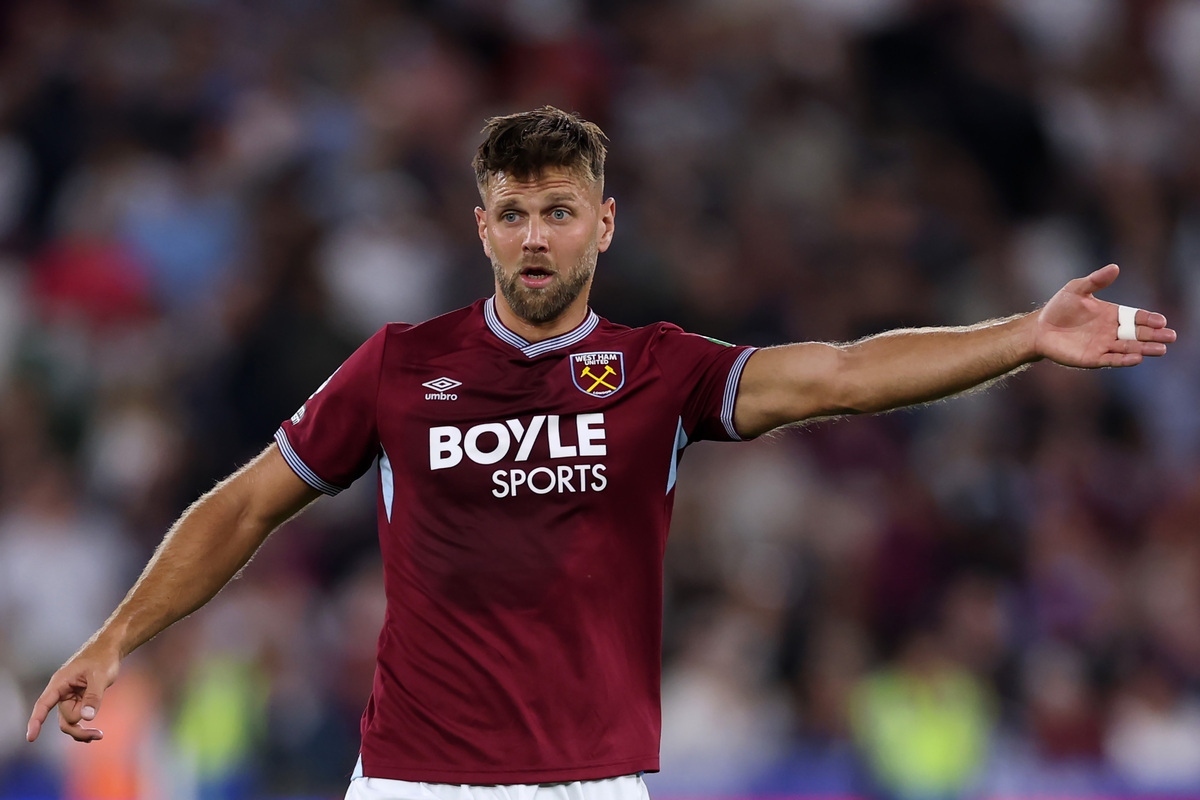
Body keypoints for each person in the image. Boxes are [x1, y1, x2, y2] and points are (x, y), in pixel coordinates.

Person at [26, 107, 1176, 799]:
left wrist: (1023, 336)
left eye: (560, 210)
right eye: (515, 211)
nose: (537, 235)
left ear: (604, 221)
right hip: (416, 781)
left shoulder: (660, 369)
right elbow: (244, 505)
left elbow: (839, 371)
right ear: (480, 225)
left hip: (590, 781)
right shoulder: (395, 365)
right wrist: (119, 634)